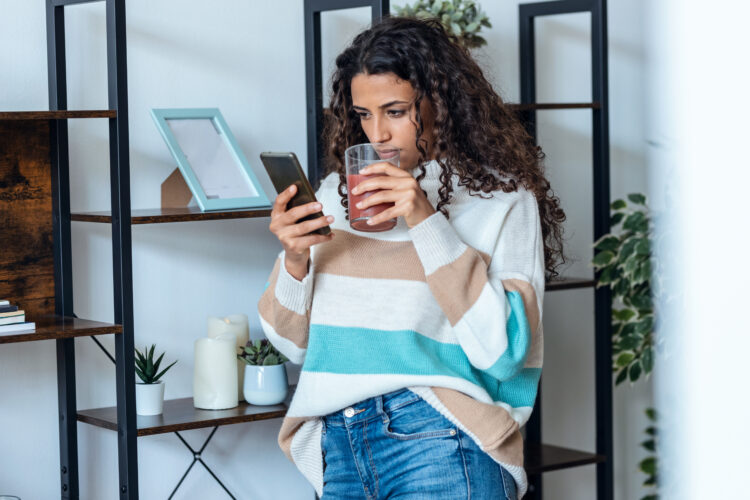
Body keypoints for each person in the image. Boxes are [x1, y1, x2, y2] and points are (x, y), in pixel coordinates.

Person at [258, 16, 565, 500]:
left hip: (441, 439)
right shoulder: (338, 198)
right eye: (363, 113)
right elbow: (291, 346)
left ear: (441, 102)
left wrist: (425, 219)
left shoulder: (502, 199)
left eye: (396, 111)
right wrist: (295, 260)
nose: (376, 133)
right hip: (339, 447)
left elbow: (505, 355)